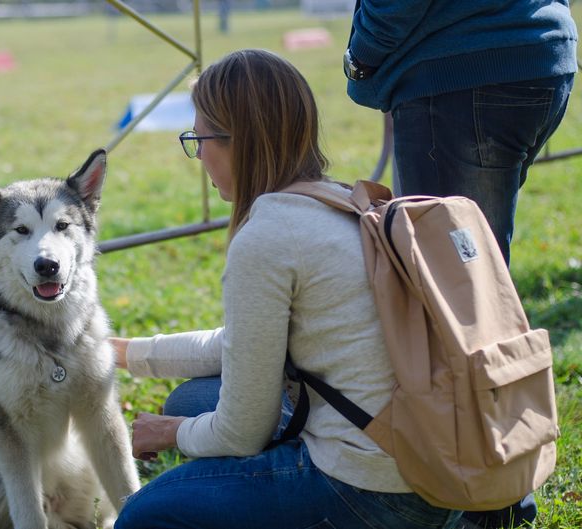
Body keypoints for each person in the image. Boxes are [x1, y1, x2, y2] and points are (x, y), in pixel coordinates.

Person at [111, 49, 462, 529]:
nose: (200, 156)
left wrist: (172, 434)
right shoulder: (337, 199)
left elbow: (240, 432)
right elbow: (245, 346)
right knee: (190, 402)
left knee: (142, 516)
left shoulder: (267, 239)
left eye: (200, 138)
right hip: (439, 463)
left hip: (376, 490)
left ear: (239, 143)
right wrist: (126, 353)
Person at [343, 1, 577, 526]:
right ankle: (498, 486)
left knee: (455, 301)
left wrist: (362, 56)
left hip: (461, 70)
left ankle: (494, 497)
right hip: (533, 53)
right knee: (478, 282)